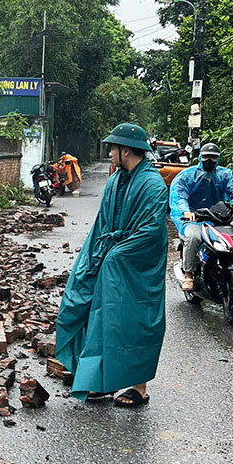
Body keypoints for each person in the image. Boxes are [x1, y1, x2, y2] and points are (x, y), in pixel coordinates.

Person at [55, 122, 168, 408]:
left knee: (133, 323)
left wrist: (115, 256)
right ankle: (99, 380)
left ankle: (139, 389)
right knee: (88, 307)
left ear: (126, 150)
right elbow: (102, 224)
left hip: (136, 267)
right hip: (111, 258)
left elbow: (151, 231)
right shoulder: (116, 180)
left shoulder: (153, 185)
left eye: (112, 148)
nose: (109, 153)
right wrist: (91, 257)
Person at [169, 141, 233, 291]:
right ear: (200, 157)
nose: (209, 160)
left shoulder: (224, 174)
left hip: (219, 216)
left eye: (213, 157)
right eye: (206, 157)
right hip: (194, 217)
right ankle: (188, 274)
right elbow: (179, 196)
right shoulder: (187, 175)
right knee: (193, 237)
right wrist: (186, 211)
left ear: (218, 159)